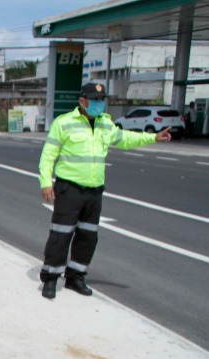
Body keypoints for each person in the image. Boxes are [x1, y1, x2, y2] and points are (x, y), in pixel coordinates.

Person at [37, 82, 171, 299]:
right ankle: (50, 278)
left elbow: (125, 139)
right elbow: (48, 155)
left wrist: (153, 137)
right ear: (82, 101)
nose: (99, 104)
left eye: (101, 100)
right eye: (95, 100)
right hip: (69, 189)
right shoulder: (63, 123)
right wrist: (45, 182)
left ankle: (75, 277)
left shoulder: (105, 124)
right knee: (60, 235)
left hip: (94, 192)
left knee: (88, 237)